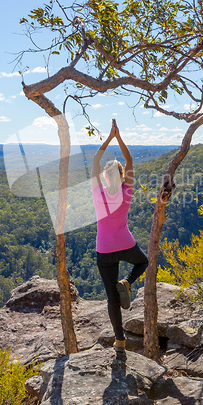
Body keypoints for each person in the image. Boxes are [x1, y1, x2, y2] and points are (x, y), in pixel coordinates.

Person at [91, 119, 149, 352]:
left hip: (104, 250)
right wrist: (119, 137)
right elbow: (130, 160)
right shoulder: (127, 190)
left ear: (106, 177)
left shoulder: (98, 193)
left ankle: (120, 340)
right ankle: (127, 281)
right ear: (123, 175)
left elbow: (95, 160)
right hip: (125, 244)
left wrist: (109, 137)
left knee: (111, 299)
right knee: (143, 261)